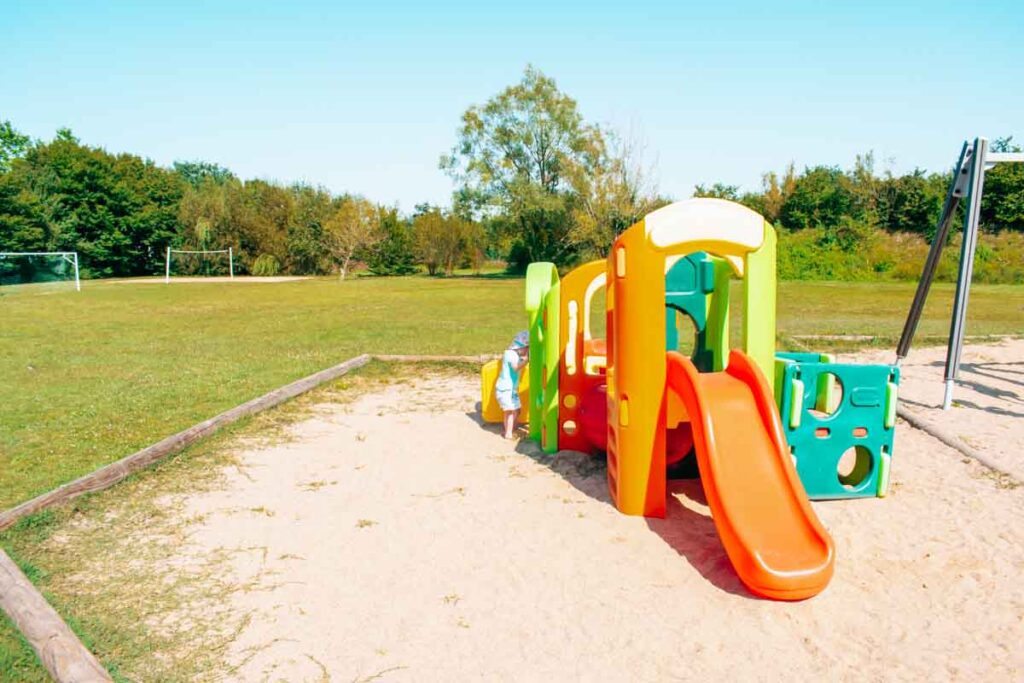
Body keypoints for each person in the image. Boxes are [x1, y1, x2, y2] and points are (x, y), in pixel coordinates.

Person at [495, 331, 529, 439]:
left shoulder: (516, 354)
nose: (527, 352)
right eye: (527, 349)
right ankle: (508, 433)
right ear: (521, 347)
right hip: (505, 389)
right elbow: (515, 367)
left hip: (511, 390)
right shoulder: (510, 354)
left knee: (517, 410)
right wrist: (526, 361)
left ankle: (510, 428)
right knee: (509, 411)